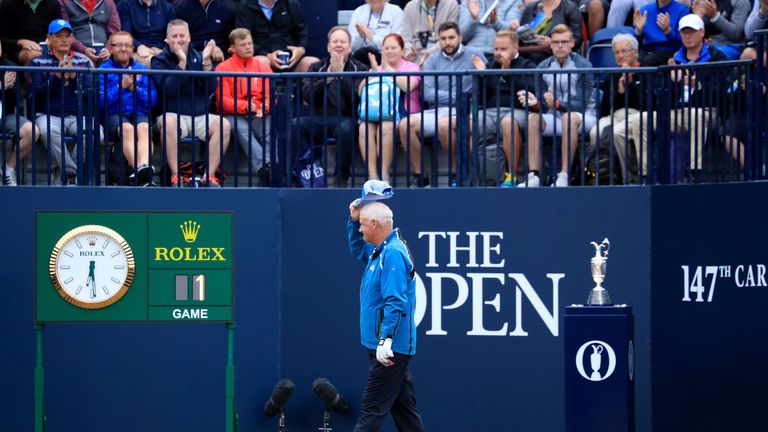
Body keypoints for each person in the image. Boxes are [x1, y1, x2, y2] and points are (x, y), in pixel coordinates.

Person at [347, 199, 425, 432]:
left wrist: (385, 339)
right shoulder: (380, 250)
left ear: (373, 224)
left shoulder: (392, 254)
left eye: (361, 224)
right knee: (406, 414)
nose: (359, 229)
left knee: (371, 410)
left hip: (390, 350)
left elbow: (395, 301)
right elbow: (357, 249)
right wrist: (352, 221)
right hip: (387, 347)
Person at [620, 14, 727, 179]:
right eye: (684, 32)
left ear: (702, 32)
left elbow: (721, 92)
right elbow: (662, 98)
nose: (688, 36)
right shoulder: (673, 59)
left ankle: (694, 171)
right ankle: (645, 173)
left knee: (694, 115)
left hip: (708, 111)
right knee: (639, 120)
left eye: (692, 31)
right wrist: (675, 83)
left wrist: (697, 86)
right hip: (677, 112)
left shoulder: (717, 57)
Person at [398, 21, 484, 188]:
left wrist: (482, 72)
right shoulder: (432, 60)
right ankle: (420, 176)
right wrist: (458, 96)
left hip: (465, 110)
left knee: (444, 125)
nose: (448, 42)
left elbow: (483, 83)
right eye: (443, 38)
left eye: (451, 37)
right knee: (404, 125)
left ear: (460, 37)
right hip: (437, 110)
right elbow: (428, 92)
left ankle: (456, 173)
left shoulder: (474, 54)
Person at [152, 19, 231, 187]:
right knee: (168, 122)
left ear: (189, 38)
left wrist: (207, 62)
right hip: (173, 115)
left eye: (182, 35)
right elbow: (167, 89)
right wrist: (181, 64)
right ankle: (175, 176)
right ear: (167, 39)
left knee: (223, 125)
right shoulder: (159, 60)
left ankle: (208, 176)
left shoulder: (198, 56)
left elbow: (210, 88)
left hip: (199, 115)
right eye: (174, 36)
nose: (179, 39)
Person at [520, 24, 597, 187]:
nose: (560, 46)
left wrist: (557, 104)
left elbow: (581, 104)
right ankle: (534, 175)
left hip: (584, 117)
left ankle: (564, 175)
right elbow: (543, 103)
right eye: (555, 42)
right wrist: (535, 103)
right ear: (550, 45)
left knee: (569, 118)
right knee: (533, 119)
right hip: (556, 117)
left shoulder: (584, 65)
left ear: (572, 43)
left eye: (564, 42)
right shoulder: (542, 67)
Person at [31, 19, 104, 185]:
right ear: (49, 39)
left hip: (77, 115)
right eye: (59, 36)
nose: (64, 39)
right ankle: (72, 172)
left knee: (96, 133)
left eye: (67, 36)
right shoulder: (38, 62)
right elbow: (36, 93)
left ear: (72, 39)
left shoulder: (83, 61)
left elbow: (91, 92)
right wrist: (57, 78)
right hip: (49, 115)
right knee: (47, 131)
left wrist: (75, 79)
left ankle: (65, 171)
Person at [293, 26, 366, 187]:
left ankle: (341, 178)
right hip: (319, 118)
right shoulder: (315, 67)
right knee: (296, 125)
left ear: (350, 47)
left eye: (343, 42)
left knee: (346, 129)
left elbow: (357, 99)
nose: (339, 45)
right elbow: (309, 96)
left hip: (347, 118)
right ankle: (310, 172)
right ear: (328, 46)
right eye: (335, 41)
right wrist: (329, 77)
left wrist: (340, 75)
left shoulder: (360, 69)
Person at [472, 29, 536, 188]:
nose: (499, 53)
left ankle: (511, 176)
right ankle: (472, 175)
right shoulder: (490, 65)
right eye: (496, 49)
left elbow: (532, 90)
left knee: (508, 123)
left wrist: (509, 73)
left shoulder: (527, 64)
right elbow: (482, 97)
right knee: (469, 121)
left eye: (503, 49)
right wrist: (483, 75)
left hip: (517, 111)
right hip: (490, 111)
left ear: (515, 48)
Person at [358, 33, 421, 184]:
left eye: (394, 47)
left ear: (402, 50)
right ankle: (372, 176)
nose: (390, 51)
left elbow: (407, 86)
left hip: (404, 114)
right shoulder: (376, 68)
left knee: (386, 127)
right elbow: (361, 92)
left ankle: (384, 175)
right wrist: (373, 73)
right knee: (364, 128)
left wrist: (387, 69)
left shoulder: (412, 67)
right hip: (375, 114)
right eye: (386, 48)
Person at [99, 31, 157, 186]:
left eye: (127, 45)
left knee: (145, 128)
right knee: (128, 130)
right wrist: (121, 86)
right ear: (110, 48)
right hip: (113, 115)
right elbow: (100, 102)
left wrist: (136, 88)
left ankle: (142, 171)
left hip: (139, 113)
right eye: (119, 45)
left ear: (133, 48)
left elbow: (153, 100)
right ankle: (142, 173)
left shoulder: (143, 69)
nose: (123, 48)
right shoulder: (103, 69)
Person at [215, 27, 272, 184]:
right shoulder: (223, 68)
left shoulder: (263, 67)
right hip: (233, 115)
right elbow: (223, 100)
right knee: (242, 129)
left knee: (269, 128)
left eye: (250, 43)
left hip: (258, 113)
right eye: (243, 44)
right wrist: (245, 106)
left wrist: (265, 106)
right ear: (232, 48)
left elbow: (270, 95)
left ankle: (270, 168)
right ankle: (265, 166)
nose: (248, 47)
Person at [589, 33, 648, 183]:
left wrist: (631, 85)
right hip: (614, 115)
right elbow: (604, 109)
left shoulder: (646, 72)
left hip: (636, 115)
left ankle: (626, 176)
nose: (620, 55)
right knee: (596, 132)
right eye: (616, 52)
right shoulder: (612, 76)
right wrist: (620, 91)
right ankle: (601, 174)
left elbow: (647, 104)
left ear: (635, 52)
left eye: (624, 51)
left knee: (616, 134)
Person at [235, 0, 319, 72]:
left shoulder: (291, 3)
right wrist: (266, 55)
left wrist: (301, 49)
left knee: (312, 62)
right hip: (263, 57)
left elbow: (303, 33)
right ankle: (260, 91)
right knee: (262, 61)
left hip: (290, 59)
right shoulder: (245, 6)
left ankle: (303, 91)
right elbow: (243, 38)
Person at [0, 43, 40, 185]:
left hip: (5, 116)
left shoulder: (9, 66)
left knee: (32, 131)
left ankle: (9, 169)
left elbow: (16, 100)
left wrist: (8, 89)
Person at [517, 0, 583, 64]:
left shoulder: (570, 7)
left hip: (562, 53)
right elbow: (521, 38)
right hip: (533, 53)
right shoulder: (531, 8)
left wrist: (553, 42)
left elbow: (577, 38)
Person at [59, 0, 121, 66]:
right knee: (86, 63)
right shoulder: (65, 2)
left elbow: (115, 32)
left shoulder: (108, 2)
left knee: (114, 62)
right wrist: (84, 49)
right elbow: (65, 32)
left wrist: (108, 49)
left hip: (104, 51)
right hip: (77, 50)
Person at [0, 0, 62, 65]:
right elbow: (2, 39)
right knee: (34, 54)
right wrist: (20, 42)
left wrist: (51, 40)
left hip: (49, 49)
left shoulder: (54, 4)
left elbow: (61, 32)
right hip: (17, 52)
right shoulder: (7, 4)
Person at [118, 0, 177, 67]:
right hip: (136, 51)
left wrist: (164, 51)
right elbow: (126, 34)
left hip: (161, 50)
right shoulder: (125, 5)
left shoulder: (167, 7)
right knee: (152, 62)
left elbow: (172, 34)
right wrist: (139, 46)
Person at [458, 0, 525, 59]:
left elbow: (512, 35)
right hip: (472, 55)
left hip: (500, 55)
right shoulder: (468, 1)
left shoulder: (514, 1)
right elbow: (462, 37)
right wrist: (473, 20)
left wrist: (495, 22)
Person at [401, 0, 460, 66]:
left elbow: (451, 38)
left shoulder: (451, 5)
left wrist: (429, 52)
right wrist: (410, 50)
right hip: (415, 58)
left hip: (442, 56)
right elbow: (405, 38)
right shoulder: (410, 7)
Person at [348, 0, 405, 67]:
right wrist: (361, 36)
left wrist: (371, 36)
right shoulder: (358, 12)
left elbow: (395, 44)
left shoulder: (396, 12)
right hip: (360, 58)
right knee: (361, 54)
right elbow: (352, 47)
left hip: (386, 57)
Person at [632, 0, 689, 66]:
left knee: (648, 61)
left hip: (669, 52)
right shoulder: (644, 10)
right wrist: (638, 31)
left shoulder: (682, 10)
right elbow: (636, 42)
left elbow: (684, 41)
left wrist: (668, 31)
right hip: (647, 51)